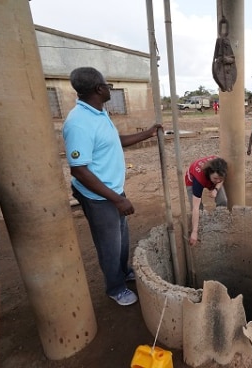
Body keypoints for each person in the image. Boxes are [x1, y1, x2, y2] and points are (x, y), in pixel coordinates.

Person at [63, 67, 161, 306]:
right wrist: (117, 200)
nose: (110, 88)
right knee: (109, 244)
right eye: (108, 85)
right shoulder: (79, 123)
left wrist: (148, 134)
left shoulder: (98, 113)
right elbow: (79, 170)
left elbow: (114, 142)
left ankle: (123, 271)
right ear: (99, 89)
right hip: (99, 197)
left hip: (113, 189)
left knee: (122, 238)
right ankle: (115, 288)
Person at [185, 156, 228, 245]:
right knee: (198, 208)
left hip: (210, 177)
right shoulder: (199, 179)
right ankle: (199, 229)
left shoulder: (221, 167)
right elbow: (195, 207)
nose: (218, 180)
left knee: (223, 200)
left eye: (220, 178)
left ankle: (219, 222)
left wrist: (215, 190)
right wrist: (194, 232)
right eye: (215, 178)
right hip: (192, 178)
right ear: (209, 173)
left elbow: (221, 179)